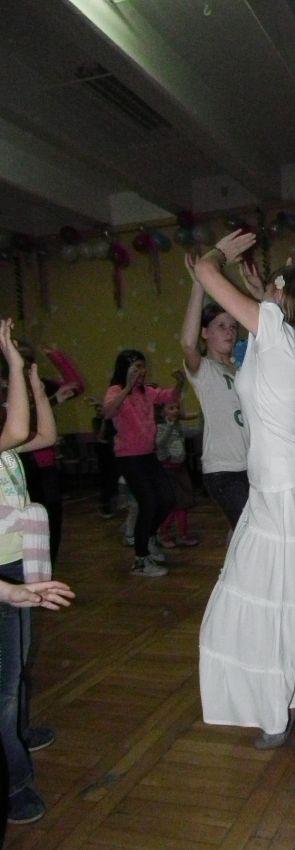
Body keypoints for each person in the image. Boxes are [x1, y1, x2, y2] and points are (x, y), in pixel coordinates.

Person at [190, 231, 295, 750]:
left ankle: (276, 709)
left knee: (273, 595)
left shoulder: (277, 331)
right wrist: (266, 282)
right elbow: (266, 312)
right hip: (286, 482)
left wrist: (220, 254)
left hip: (282, 486)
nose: (268, 292)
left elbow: (206, 274)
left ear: (287, 299)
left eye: (277, 287)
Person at [0, 317, 76, 827]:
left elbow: (42, 433)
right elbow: (18, 429)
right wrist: (15, 363)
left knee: (16, 670)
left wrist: (31, 380)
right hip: (0, 576)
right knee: (2, 690)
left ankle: (19, 735)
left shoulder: (4, 444)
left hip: (14, 563)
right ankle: (14, 783)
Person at [180, 272, 249, 531]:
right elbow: (188, 345)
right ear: (205, 332)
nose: (229, 331)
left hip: (252, 466)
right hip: (224, 470)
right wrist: (199, 284)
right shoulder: (204, 370)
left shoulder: (242, 369)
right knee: (249, 531)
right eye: (221, 326)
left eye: (233, 326)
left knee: (245, 533)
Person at [103, 351, 181, 577]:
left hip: (148, 456)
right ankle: (140, 561)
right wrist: (127, 387)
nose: (141, 371)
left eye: (142, 367)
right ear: (125, 369)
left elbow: (170, 396)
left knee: (167, 498)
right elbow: (108, 412)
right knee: (149, 502)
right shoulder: (116, 391)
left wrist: (180, 382)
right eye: (136, 367)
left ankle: (149, 537)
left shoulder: (147, 392)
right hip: (129, 458)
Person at [18, 344, 85, 565]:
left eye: (29, 361)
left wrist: (57, 356)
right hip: (20, 465)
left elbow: (76, 386)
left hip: (45, 464)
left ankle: (47, 567)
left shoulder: (40, 385)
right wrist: (52, 401)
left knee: (52, 518)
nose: (27, 365)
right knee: (29, 522)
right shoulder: (7, 389)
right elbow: (17, 424)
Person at [156, 398, 198, 548]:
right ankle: (163, 533)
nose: (175, 411)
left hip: (180, 467)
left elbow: (193, 432)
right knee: (172, 504)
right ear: (162, 412)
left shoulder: (178, 425)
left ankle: (182, 535)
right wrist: (169, 425)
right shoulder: (160, 427)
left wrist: (203, 416)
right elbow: (159, 443)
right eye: (171, 408)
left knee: (183, 503)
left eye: (177, 408)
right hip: (168, 469)